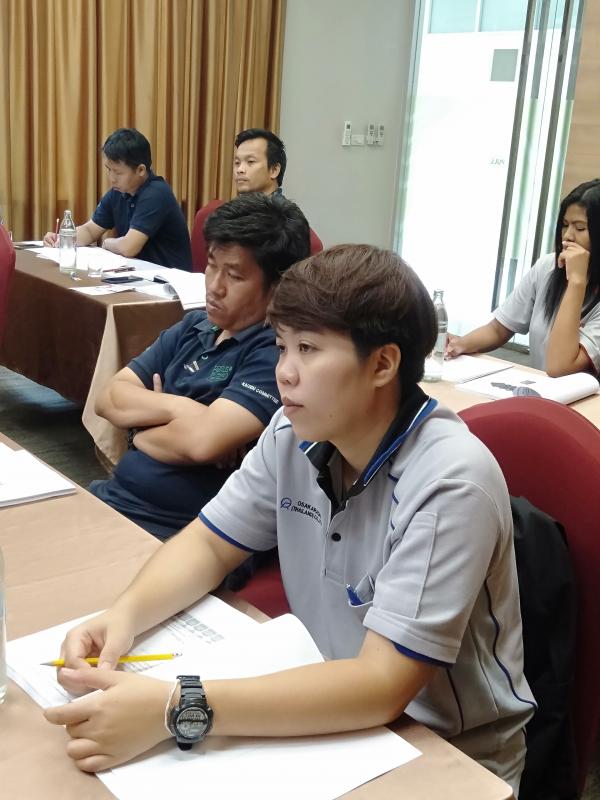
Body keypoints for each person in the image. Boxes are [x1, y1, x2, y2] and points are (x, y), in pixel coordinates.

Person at [45, 245, 534, 795]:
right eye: (281, 346)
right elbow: (209, 544)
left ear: (382, 364)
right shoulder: (292, 431)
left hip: (447, 751)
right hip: (327, 699)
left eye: (308, 349)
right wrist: (124, 616)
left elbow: (383, 684)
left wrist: (178, 706)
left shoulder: (449, 481)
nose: (284, 372)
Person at [88, 192, 310, 539]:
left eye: (234, 276)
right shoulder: (195, 326)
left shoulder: (276, 352)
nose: (214, 287)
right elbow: (108, 398)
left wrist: (139, 427)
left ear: (277, 287)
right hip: (114, 498)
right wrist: (182, 409)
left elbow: (201, 442)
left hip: (178, 529)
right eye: (211, 265)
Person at [446, 179, 600, 377]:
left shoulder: (578, 281)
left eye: (580, 228)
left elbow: (559, 367)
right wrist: (460, 345)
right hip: (540, 391)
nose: (568, 236)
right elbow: (499, 329)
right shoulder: (547, 267)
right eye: (564, 225)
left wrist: (577, 282)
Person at [43, 128, 192, 270]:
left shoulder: (156, 194)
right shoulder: (119, 192)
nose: (112, 178)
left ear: (140, 170)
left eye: (118, 172)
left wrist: (107, 243)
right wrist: (63, 239)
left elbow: (128, 247)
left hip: (168, 280)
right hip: (139, 275)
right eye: (109, 170)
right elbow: (90, 231)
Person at [192, 128, 322, 271]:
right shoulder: (227, 216)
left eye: (250, 162)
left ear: (274, 170)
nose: (240, 169)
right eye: (237, 163)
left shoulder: (288, 226)